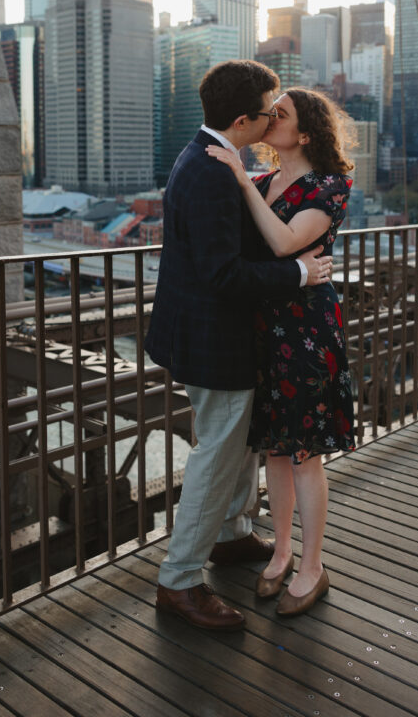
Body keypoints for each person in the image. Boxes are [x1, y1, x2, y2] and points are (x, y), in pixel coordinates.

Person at [146, 61, 334, 632]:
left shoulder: (211, 160)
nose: (273, 115)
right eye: (267, 110)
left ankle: (228, 536)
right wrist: (300, 275)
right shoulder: (209, 174)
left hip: (217, 334)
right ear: (241, 120)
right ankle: (179, 581)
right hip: (216, 339)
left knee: (238, 443)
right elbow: (224, 275)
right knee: (219, 455)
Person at [206, 87, 355, 617]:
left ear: (306, 131)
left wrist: (241, 177)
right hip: (264, 327)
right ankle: (283, 551)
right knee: (273, 448)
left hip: (307, 328)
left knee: (304, 454)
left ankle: (313, 566)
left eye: (281, 114)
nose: (271, 118)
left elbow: (283, 244)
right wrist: (247, 180)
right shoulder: (267, 180)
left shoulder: (331, 186)